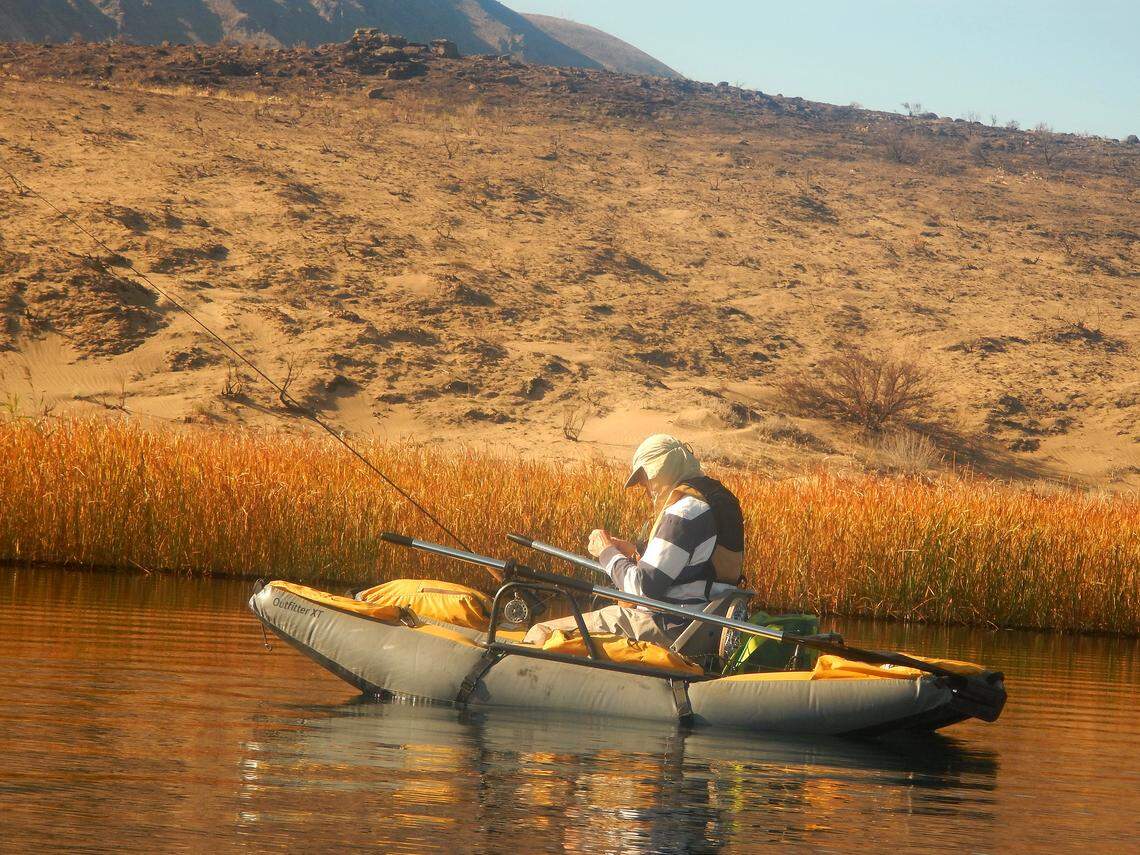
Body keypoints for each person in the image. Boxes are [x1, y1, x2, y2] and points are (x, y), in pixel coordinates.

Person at [523, 434, 745, 651]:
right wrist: (633, 551)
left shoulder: (684, 512)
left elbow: (643, 587)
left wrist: (607, 552)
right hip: (701, 627)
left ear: (659, 471)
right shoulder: (710, 503)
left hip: (667, 625)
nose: (646, 489)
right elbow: (694, 566)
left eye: (644, 480)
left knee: (541, 631)